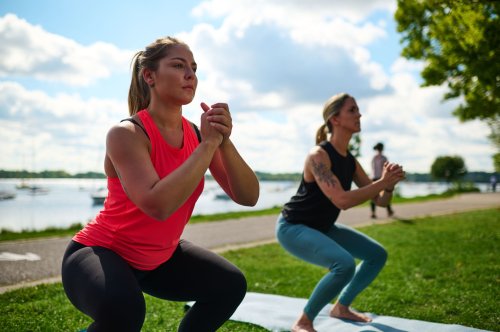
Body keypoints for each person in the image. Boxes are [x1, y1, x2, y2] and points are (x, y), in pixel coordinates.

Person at [61, 36, 259, 332]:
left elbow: (248, 196)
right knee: (124, 312)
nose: (190, 75)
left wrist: (223, 142)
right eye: (179, 66)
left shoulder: (198, 134)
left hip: (158, 259)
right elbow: (158, 205)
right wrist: (208, 145)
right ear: (149, 76)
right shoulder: (127, 133)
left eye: (193, 68)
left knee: (229, 285)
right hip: (101, 252)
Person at [275, 93, 405, 332]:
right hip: (293, 227)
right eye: (353, 110)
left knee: (376, 255)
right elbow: (342, 200)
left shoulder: (351, 161)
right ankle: (303, 322)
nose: (359, 115)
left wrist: (389, 185)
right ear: (335, 119)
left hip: (323, 227)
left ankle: (341, 307)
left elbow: (380, 201)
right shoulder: (318, 156)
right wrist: (382, 181)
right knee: (343, 264)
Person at [370, 142, 394, 218]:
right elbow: (386, 170)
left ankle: (373, 213)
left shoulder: (374, 158)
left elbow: (372, 169)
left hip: (374, 178)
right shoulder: (384, 158)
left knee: (373, 195)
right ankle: (389, 211)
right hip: (381, 178)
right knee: (385, 194)